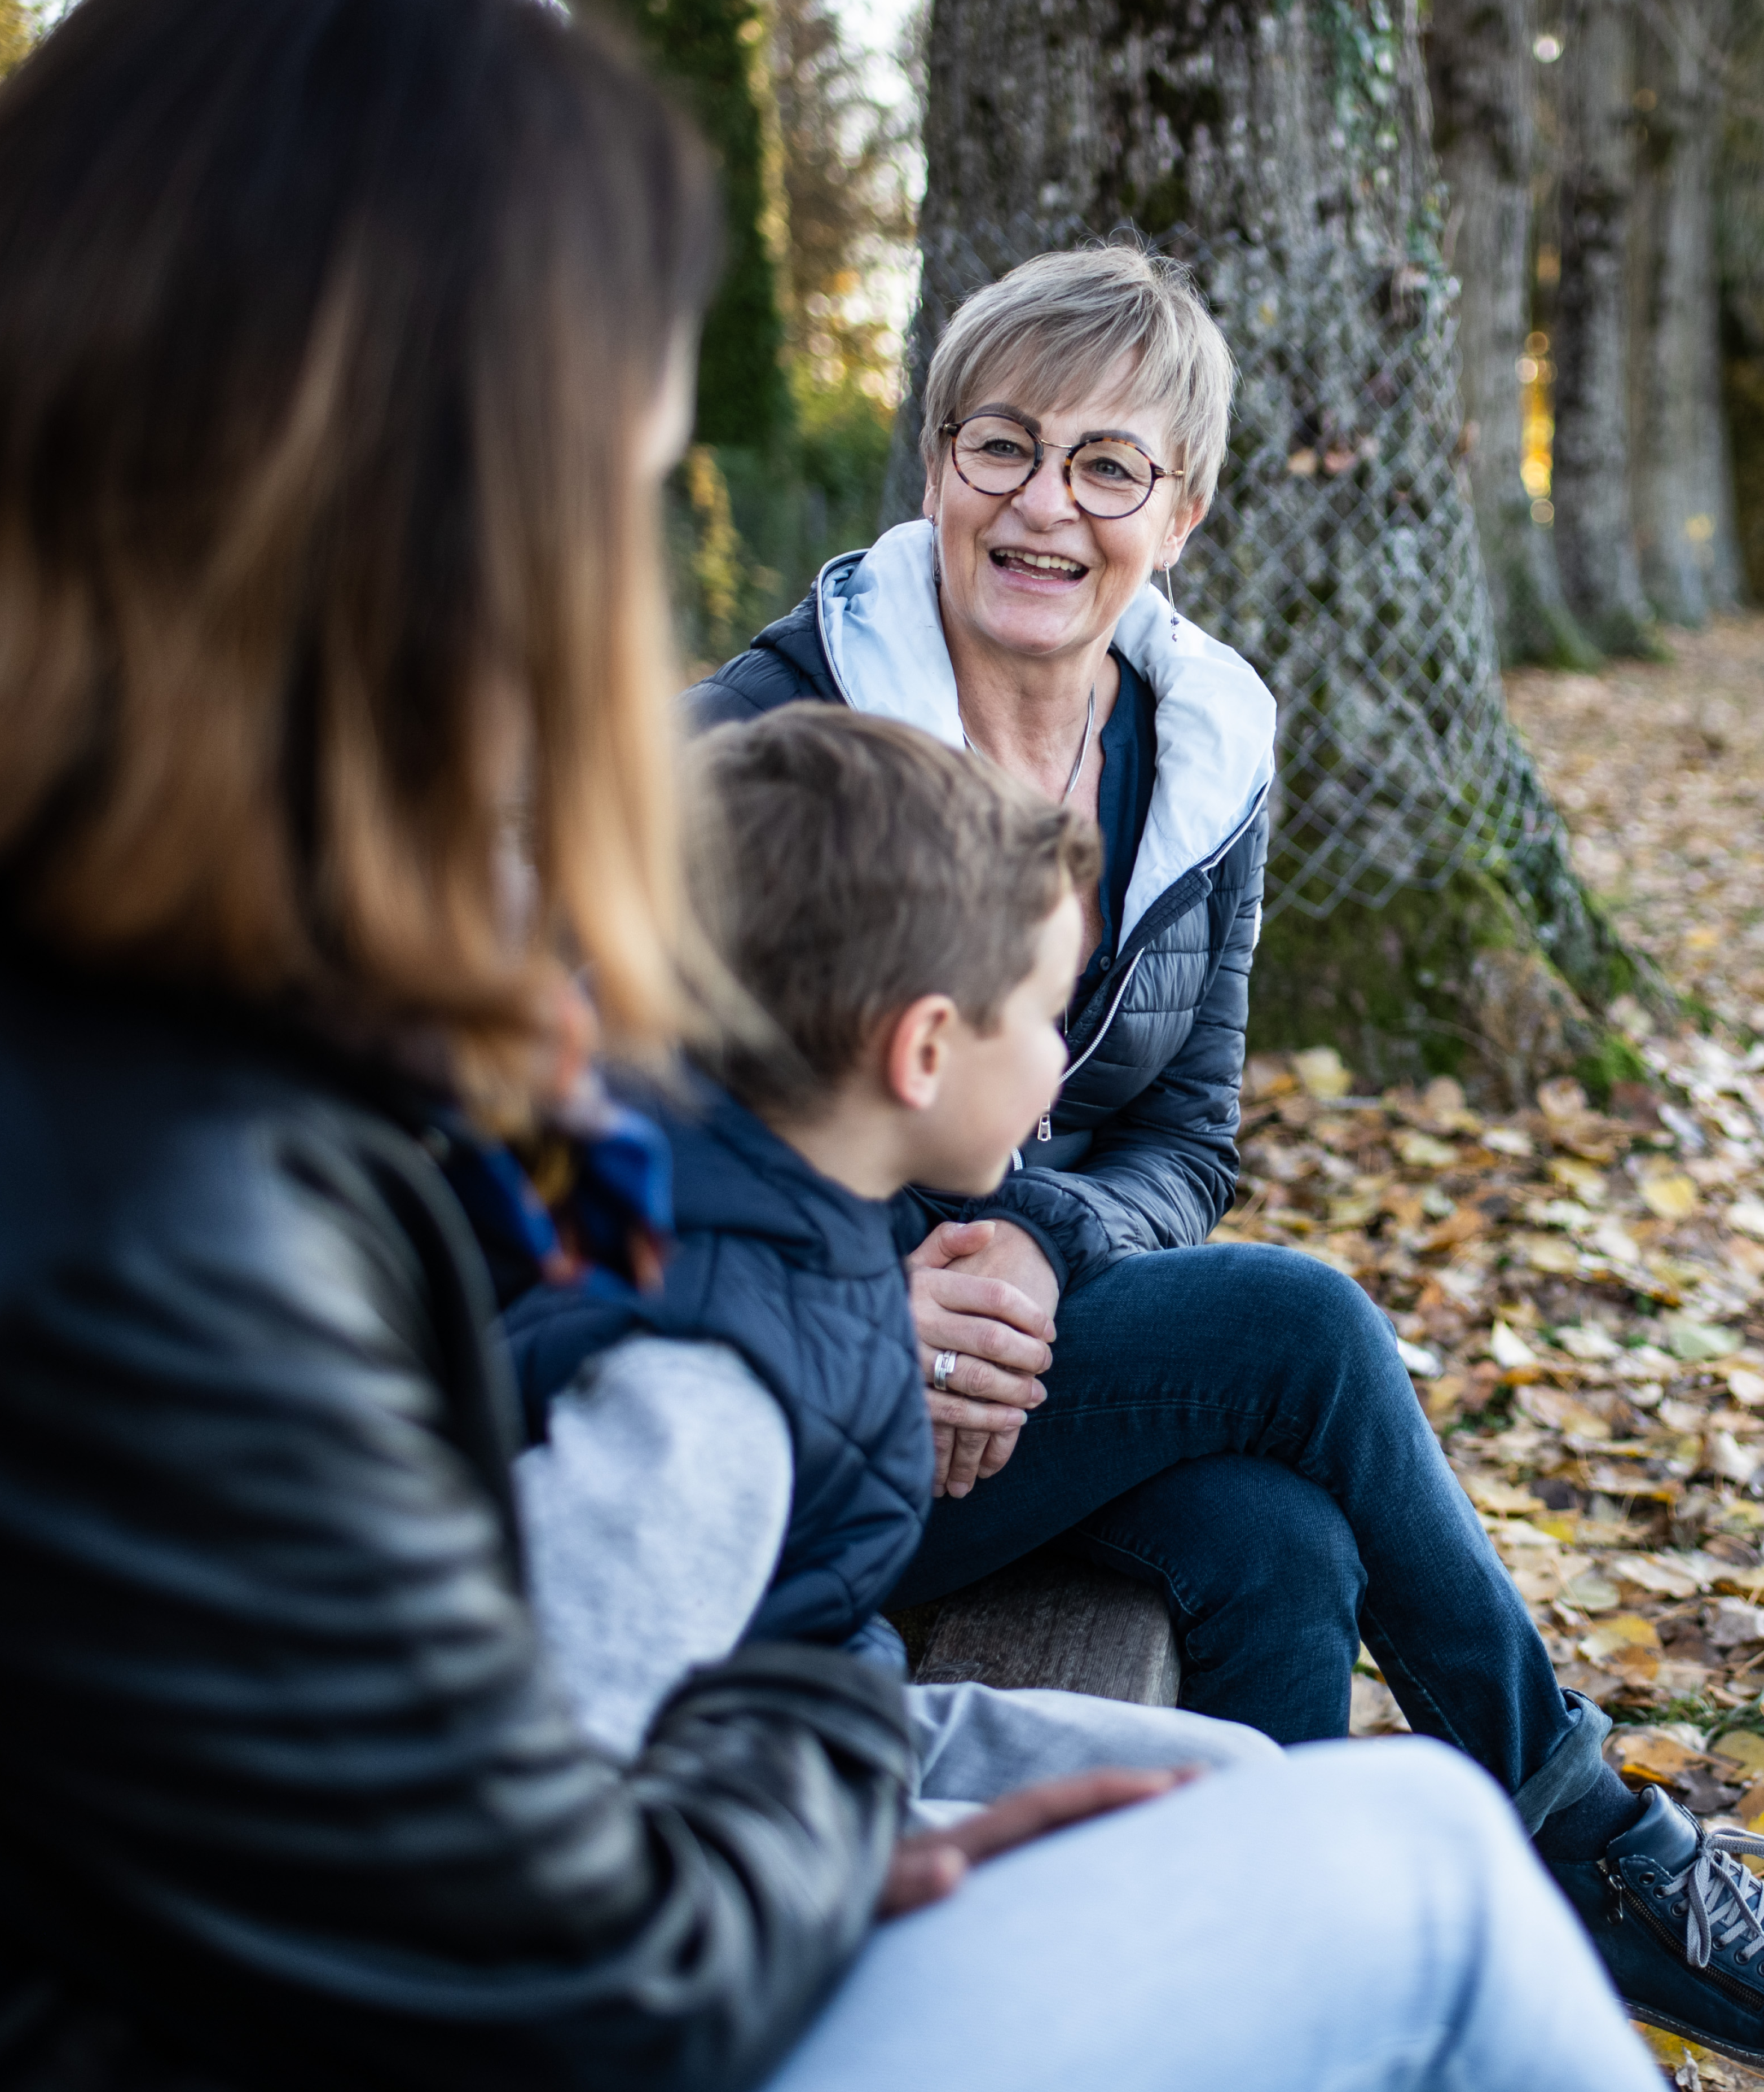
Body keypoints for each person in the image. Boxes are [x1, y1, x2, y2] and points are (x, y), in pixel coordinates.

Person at [0, 0, 1660, 2092]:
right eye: (608, 485)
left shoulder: (20, 957)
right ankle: (1575, 1834)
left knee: (1268, 1597)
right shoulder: (118, 1203)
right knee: (1402, 1858)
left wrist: (971, 1245)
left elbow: (1054, 1151)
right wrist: (825, 1727)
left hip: (466, 1825)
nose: (617, 575)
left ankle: (1566, 1834)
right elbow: (570, 1961)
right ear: (389, 499)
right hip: (502, 1925)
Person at [694, 244, 1764, 2072]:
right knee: (1297, 1327)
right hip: (795, 1369)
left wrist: (1043, 1242)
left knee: (1277, 1545)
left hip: (1022, 1361)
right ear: (934, 460)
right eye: (1000, 447)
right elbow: (628, 1100)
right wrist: (902, 1281)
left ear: (1179, 509)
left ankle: (1255, 2015)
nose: (1044, 504)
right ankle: (1596, 1839)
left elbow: (1189, 1132)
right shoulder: (778, 734)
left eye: (1107, 466)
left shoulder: (1202, 749)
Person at [501, 702, 1282, 1829]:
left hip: (822, 1741)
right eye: (1043, 1015)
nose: (1062, 1064)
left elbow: (798, 1663)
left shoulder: (803, 1221)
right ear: (921, 1051)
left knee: (1243, 1789)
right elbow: (566, 1810)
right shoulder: (700, 1400)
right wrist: (889, 1871)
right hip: (748, 1892)